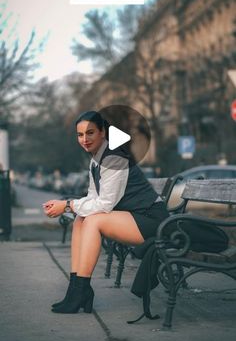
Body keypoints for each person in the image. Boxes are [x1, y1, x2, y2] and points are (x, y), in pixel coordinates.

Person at [43, 110, 169, 314]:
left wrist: (67, 205)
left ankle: (82, 290)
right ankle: (75, 289)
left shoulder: (114, 158)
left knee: (94, 221)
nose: (84, 139)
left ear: (103, 132)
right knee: (81, 219)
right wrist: (70, 206)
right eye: (80, 135)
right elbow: (93, 197)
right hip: (134, 216)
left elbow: (104, 204)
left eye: (90, 133)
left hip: (153, 220)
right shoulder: (96, 159)